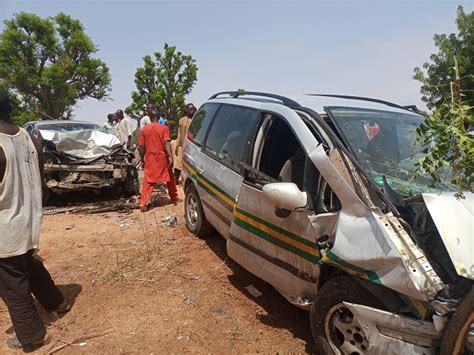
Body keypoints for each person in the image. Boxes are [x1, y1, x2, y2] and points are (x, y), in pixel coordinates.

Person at [0, 89, 69, 351]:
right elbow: (40, 182)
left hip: (5, 227)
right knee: (27, 264)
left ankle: (32, 335)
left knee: (11, 283)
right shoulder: (30, 137)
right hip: (28, 221)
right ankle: (57, 302)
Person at [138, 109, 178, 211]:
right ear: (159, 117)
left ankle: (143, 203)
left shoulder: (144, 130)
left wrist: (142, 157)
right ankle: (174, 198)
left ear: (149, 117)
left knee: (148, 181)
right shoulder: (164, 128)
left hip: (150, 158)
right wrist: (170, 156)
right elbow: (166, 143)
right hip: (162, 158)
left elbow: (141, 146)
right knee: (169, 177)